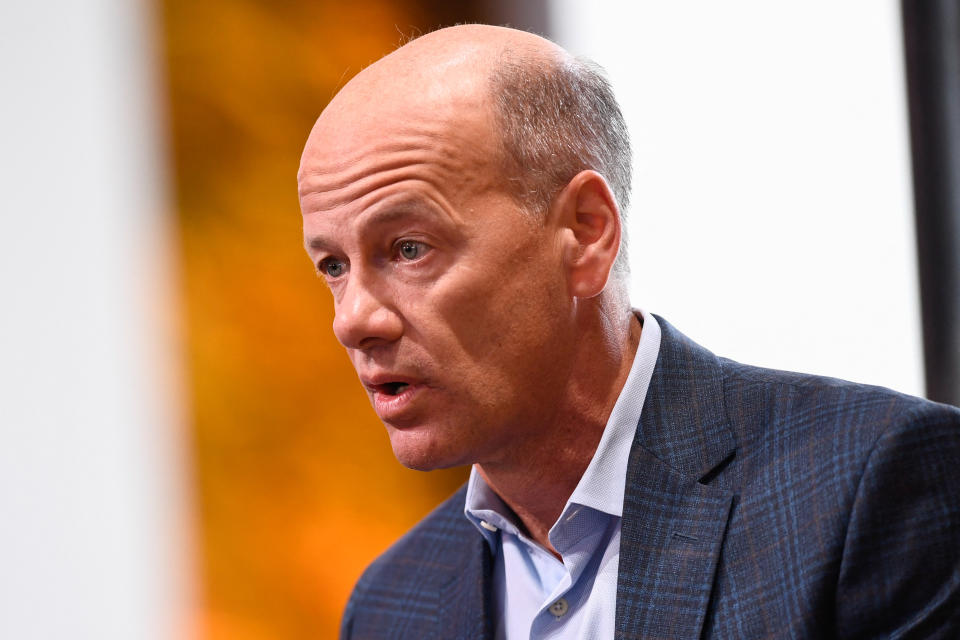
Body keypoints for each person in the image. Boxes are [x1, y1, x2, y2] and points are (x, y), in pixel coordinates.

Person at [297, 24, 960, 639]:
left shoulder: (869, 489)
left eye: (409, 248)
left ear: (586, 233)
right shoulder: (390, 606)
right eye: (332, 264)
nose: (353, 319)